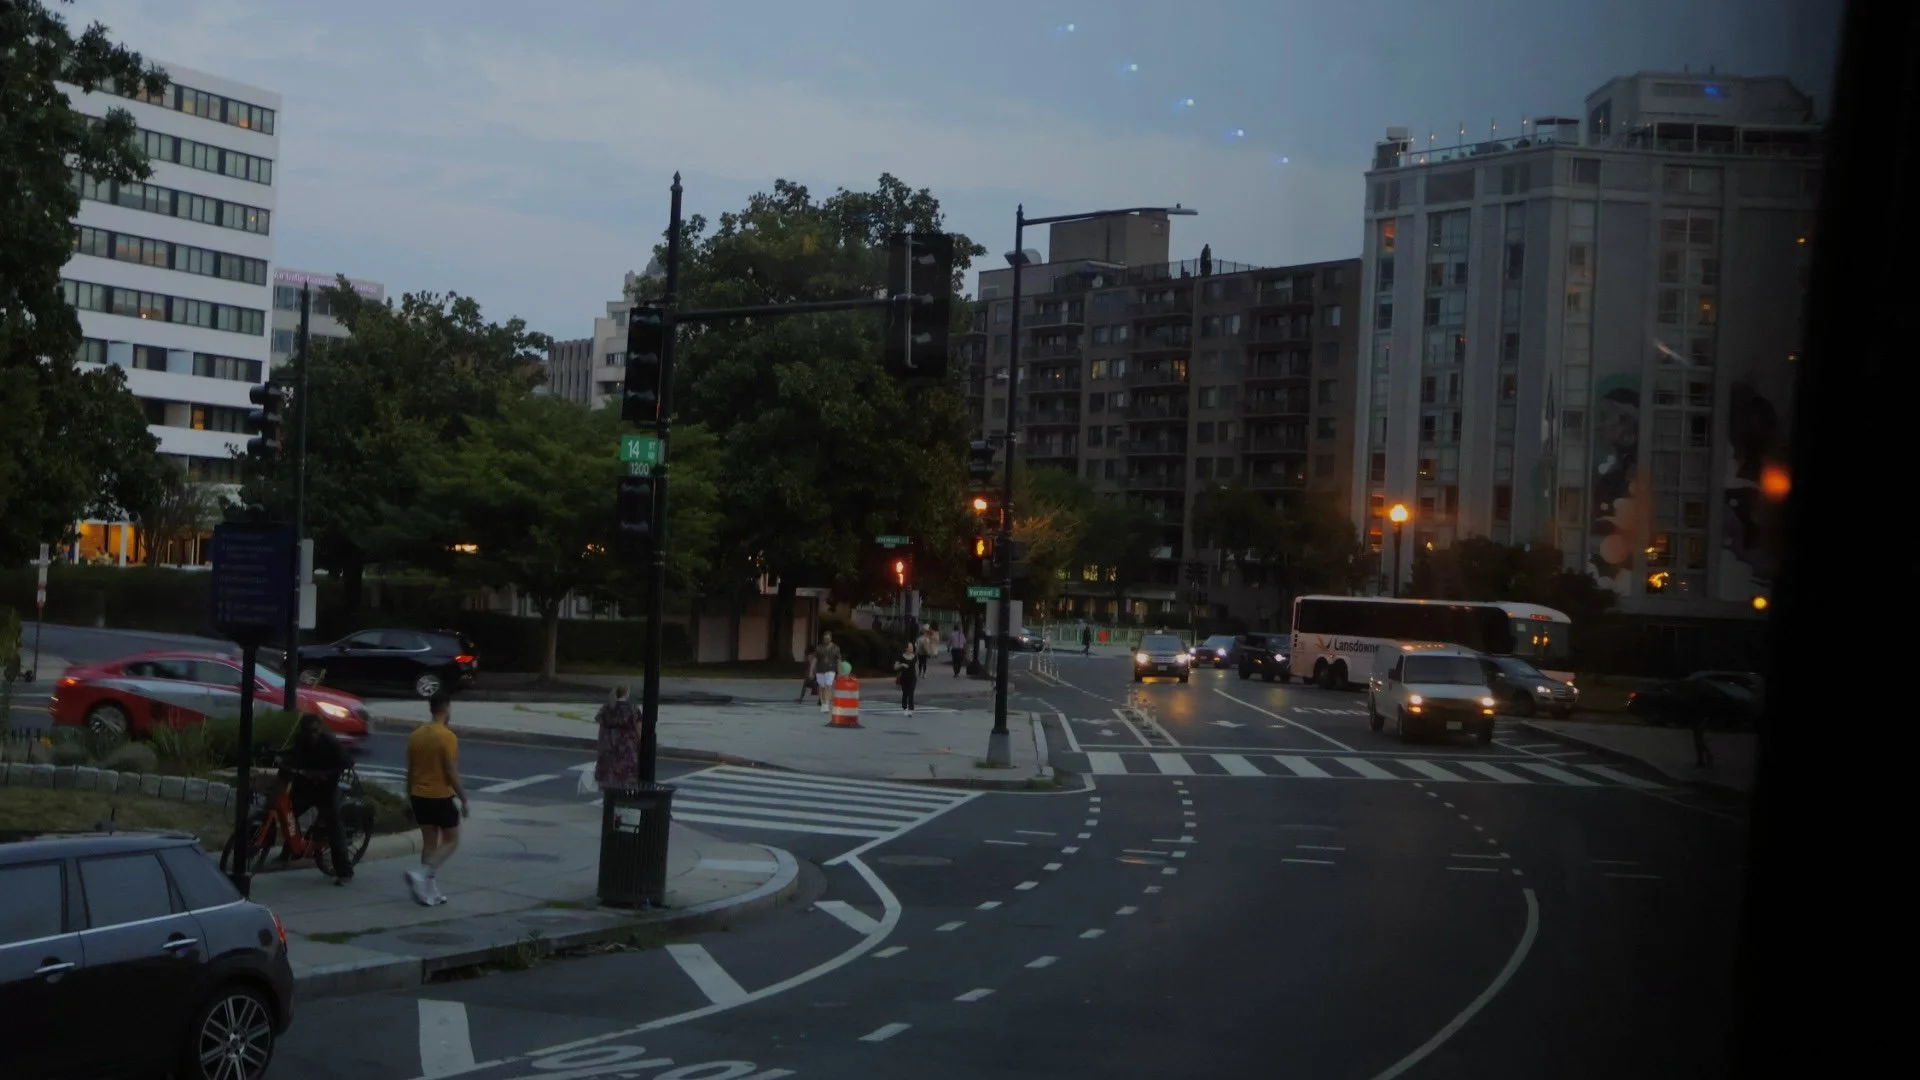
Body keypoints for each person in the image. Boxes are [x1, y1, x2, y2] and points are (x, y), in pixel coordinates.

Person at [271, 714, 354, 884]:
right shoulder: (301, 741)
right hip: (305, 786)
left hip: (326, 789)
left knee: (333, 826)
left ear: (320, 729)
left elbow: (348, 762)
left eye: (315, 731)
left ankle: (344, 871)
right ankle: (289, 851)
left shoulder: (330, 743)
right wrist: (278, 755)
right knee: (289, 815)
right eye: (308, 731)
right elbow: (294, 753)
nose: (312, 735)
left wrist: (324, 774)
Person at [405, 692, 469, 906]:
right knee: (452, 840)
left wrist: (408, 796)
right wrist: (464, 799)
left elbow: (410, 770)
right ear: (446, 709)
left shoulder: (416, 735)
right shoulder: (447, 736)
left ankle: (427, 891)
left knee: (430, 842)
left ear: (431, 709)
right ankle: (422, 874)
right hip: (440, 796)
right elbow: (451, 771)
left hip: (418, 795)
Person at [592, 684, 641, 792]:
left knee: (611, 775)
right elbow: (638, 728)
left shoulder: (607, 708)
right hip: (627, 746)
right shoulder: (633, 708)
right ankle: (623, 795)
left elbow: (601, 727)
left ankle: (611, 796)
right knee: (626, 775)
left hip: (610, 745)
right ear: (627, 693)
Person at [813, 632, 842, 713]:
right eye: (825, 639)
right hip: (820, 670)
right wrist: (811, 670)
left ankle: (827, 704)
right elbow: (815, 659)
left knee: (828, 686)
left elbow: (839, 660)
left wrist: (839, 673)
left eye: (828, 638)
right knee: (821, 687)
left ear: (831, 638)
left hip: (831, 669)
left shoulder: (836, 648)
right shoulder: (819, 648)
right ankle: (823, 703)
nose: (826, 640)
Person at [893, 642, 919, 716]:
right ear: (906, 648)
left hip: (912, 677)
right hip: (904, 678)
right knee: (905, 694)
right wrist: (902, 664)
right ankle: (904, 708)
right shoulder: (901, 657)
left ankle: (911, 709)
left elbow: (916, 666)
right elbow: (895, 667)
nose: (912, 648)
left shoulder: (915, 656)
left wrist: (917, 673)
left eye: (912, 647)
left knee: (911, 692)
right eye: (910, 647)